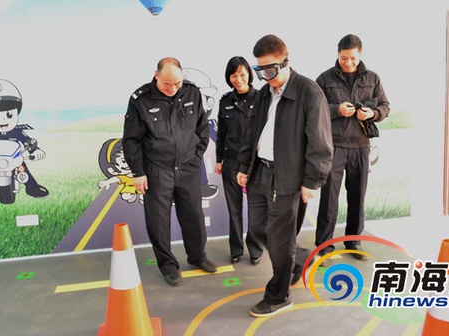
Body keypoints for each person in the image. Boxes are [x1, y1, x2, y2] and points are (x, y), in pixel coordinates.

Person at [236, 34, 333, 318]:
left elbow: (320, 141)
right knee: (257, 229)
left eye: (270, 70)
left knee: (279, 241)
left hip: (287, 178)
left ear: (286, 63)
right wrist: (244, 166)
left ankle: (279, 296)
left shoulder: (309, 92)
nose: (265, 77)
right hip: (259, 173)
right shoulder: (264, 94)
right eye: (260, 71)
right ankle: (299, 258)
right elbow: (252, 134)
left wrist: (312, 181)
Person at [122, 57, 217, 287]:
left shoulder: (192, 93)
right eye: (167, 84)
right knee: (158, 222)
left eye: (177, 83)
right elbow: (131, 140)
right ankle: (168, 266)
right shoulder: (140, 99)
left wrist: (196, 157)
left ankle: (198, 257)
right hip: (157, 169)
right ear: (156, 75)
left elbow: (202, 128)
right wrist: (138, 172)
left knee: (194, 216)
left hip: (188, 168)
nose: (172, 89)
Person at [315, 34, 390, 260]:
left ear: (360, 55)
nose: (348, 63)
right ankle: (324, 245)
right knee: (329, 198)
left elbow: (385, 106)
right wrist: (337, 110)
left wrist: (373, 113)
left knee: (357, 197)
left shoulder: (373, 78)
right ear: (337, 54)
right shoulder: (325, 78)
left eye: (353, 58)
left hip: (361, 145)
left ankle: (354, 242)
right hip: (334, 146)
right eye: (344, 58)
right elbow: (314, 109)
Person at [214, 56, 263, 265]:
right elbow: (221, 134)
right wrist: (219, 159)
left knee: (255, 209)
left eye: (242, 74)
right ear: (229, 77)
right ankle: (236, 249)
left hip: (255, 163)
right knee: (234, 210)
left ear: (249, 75)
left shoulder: (262, 98)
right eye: (234, 75)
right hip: (232, 162)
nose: (238, 79)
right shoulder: (225, 101)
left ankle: (255, 249)